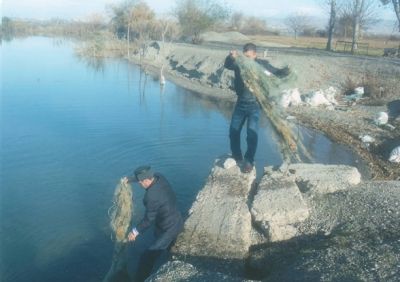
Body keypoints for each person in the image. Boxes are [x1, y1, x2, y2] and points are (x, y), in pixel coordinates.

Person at [122, 165, 183, 282]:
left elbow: (148, 219)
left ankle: (140, 280)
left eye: (140, 182)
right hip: (176, 218)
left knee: (147, 257)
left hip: (168, 229)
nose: (140, 184)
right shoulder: (160, 176)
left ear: (146, 180)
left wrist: (135, 232)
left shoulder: (151, 196)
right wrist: (131, 180)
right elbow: (144, 177)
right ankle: (171, 257)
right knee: (169, 247)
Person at [224, 43, 261, 173]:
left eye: (249, 56)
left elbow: (273, 71)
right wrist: (230, 57)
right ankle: (237, 156)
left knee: (251, 134)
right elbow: (227, 65)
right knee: (233, 132)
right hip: (240, 104)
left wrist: (285, 72)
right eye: (244, 56)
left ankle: (249, 161)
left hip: (255, 105)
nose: (247, 59)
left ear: (255, 55)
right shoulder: (239, 65)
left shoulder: (260, 65)